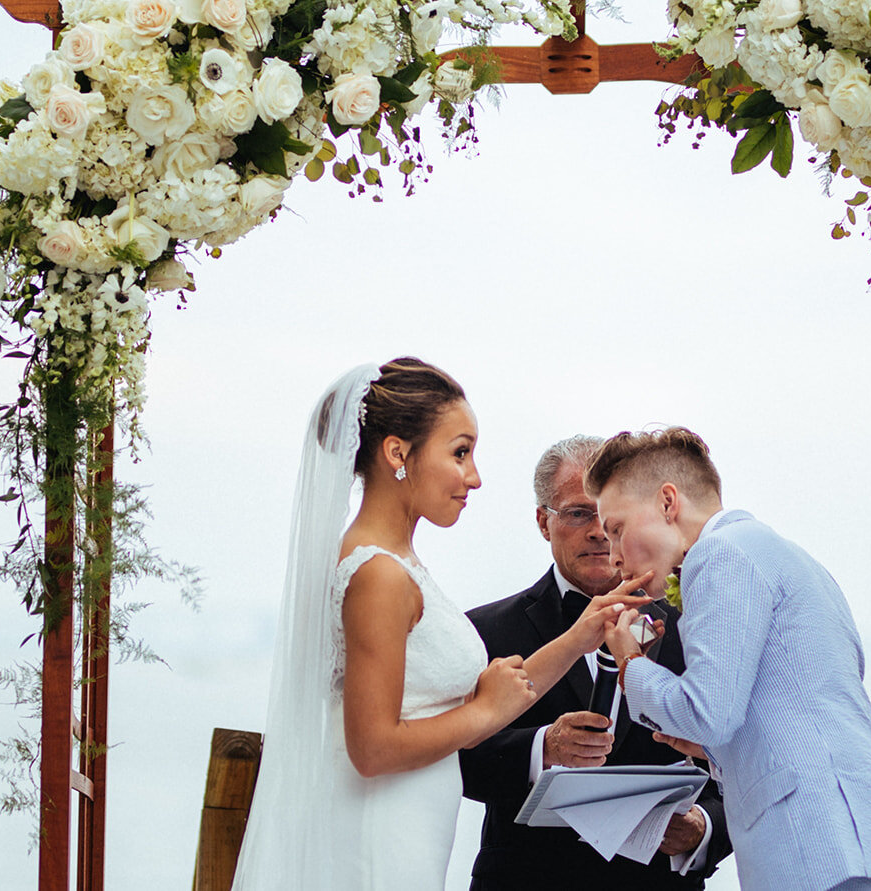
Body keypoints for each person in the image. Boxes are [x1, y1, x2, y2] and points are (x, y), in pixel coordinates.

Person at [232, 360, 652, 890]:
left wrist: (578, 637)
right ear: (398, 454)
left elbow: (484, 692)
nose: (474, 476)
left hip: (413, 824)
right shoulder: (379, 574)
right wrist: (484, 714)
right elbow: (373, 748)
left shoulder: (397, 563)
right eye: (460, 452)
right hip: (379, 832)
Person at [590, 428, 871, 891]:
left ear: (668, 502)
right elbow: (808, 699)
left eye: (616, 530)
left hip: (819, 848)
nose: (612, 557)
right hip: (866, 841)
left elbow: (708, 713)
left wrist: (630, 663)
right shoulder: (794, 558)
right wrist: (709, 750)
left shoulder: (719, 553)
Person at [460, 435, 730, 890]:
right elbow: (453, 761)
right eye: (579, 513)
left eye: (610, 519)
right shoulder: (483, 631)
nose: (599, 532)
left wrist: (703, 828)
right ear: (544, 522)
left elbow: (734, 749)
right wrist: (541, 748)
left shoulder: (695, 626)